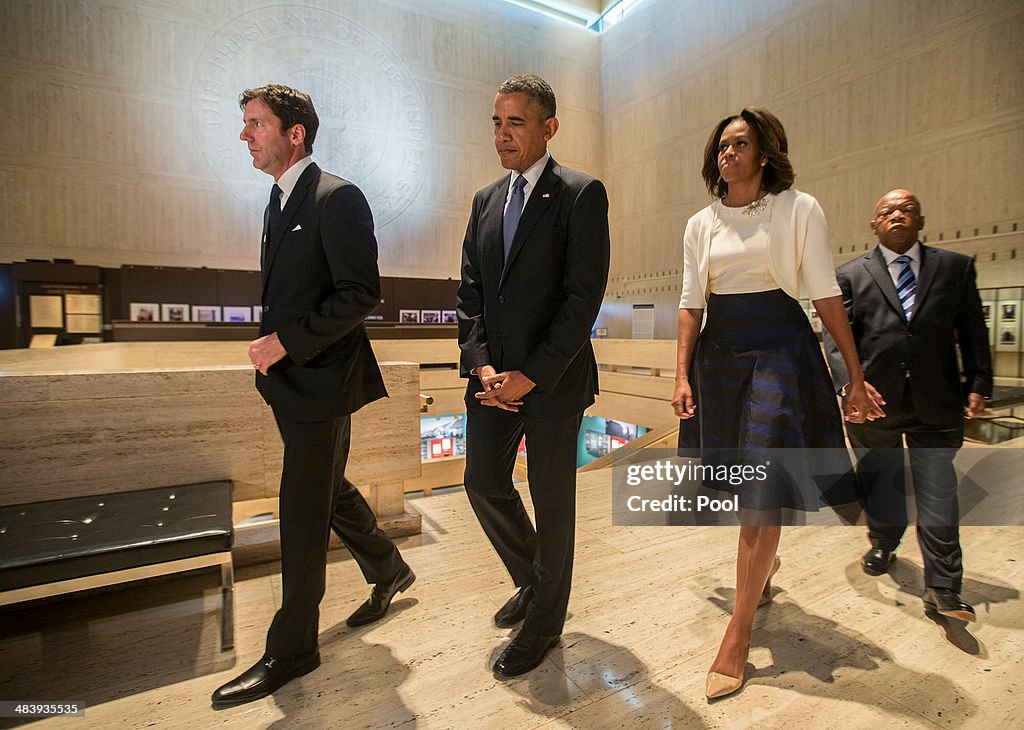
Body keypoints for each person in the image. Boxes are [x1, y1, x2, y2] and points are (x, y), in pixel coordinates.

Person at [212, 84, 414, 710]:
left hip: (322, 380)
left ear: (295, 132)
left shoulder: (337, 197)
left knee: (301, 510)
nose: (244, 135)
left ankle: (293, 647)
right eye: (244, 124)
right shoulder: (278, 202)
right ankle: (387, 567)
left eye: (255, 124)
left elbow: (360, 293)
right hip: (294, 382)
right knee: (325, 487)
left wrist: (285, 344)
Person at [672, 108, 883, 700]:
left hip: (782, 350)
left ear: (765, 153)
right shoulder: (700, 223)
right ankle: (759, 580)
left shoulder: (800, 209)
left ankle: (737, 634)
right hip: (721, 356)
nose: (727, 154)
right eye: (721, 146)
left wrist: (856, 377)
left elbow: (825, 295)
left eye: (739, 144)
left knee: (763, 487)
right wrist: (681, 374)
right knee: (746, 485)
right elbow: (691, 304)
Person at [456, 74, 610, 677]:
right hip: (493, 380)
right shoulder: (485, 200)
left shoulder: (579, 193)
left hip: (554, 380)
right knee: (482, 482)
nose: (503, 134)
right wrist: (484, 364)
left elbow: (582, 299)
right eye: (496, 122)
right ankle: (534, 579)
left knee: (553, 502)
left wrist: (532, 376)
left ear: (548, 126)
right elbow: (470, 293)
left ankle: (545, 623)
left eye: (515, 122)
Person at [824, 189, 991, 623]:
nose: (897, 215)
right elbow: (836, 341)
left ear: (920, 220)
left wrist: (979, 381)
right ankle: (882, 540)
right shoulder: (848, 275)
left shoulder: (954, 268)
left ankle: (944, 588)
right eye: (887, 211)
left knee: (939, 493)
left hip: (937, 401)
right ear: (874, 225)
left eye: (906, 210)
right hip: (874, 402)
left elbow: (972, 330)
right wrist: (850, 387)